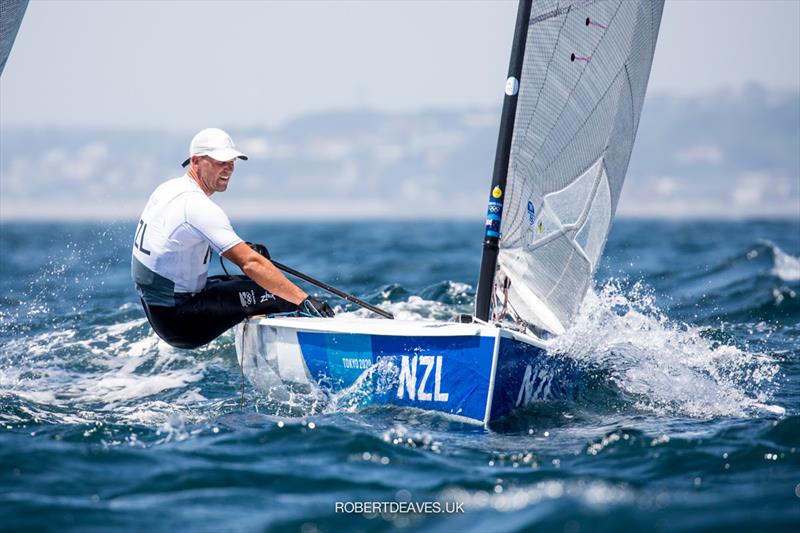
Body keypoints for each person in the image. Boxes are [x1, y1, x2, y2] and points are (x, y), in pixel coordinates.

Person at [132, 127, 334, 349]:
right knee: (282, 295)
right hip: (183, 322)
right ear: (195, 161)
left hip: (157, 309)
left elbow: (176, 242)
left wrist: (243, 249)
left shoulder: (168, 189)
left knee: (259, 285)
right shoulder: (197, 205)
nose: (228, 169)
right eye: (220, 162)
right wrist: (304, 300)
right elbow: (250, 263)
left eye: (232, 162)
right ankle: (323, 350)